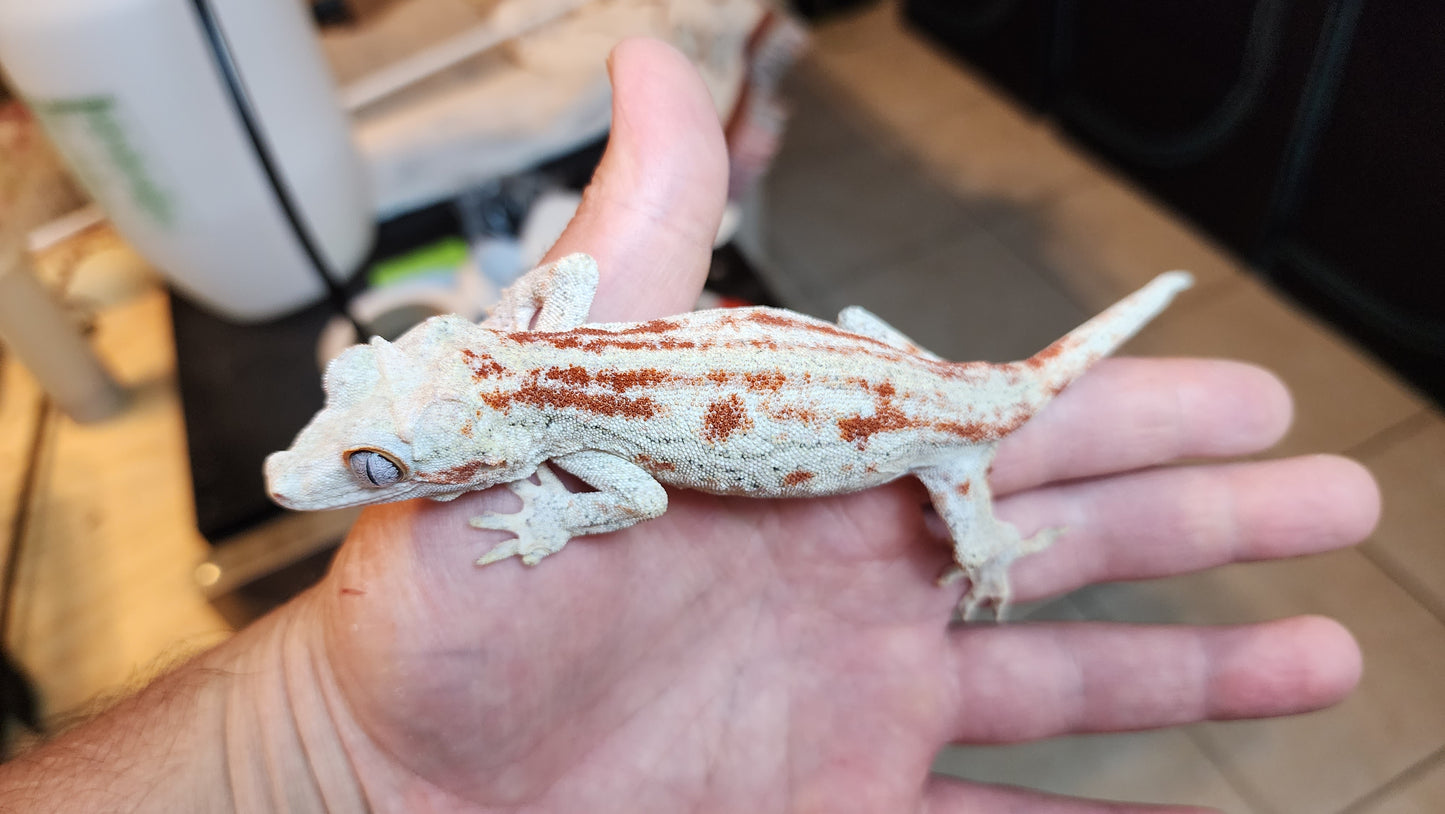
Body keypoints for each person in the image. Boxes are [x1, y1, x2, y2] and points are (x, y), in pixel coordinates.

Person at [0, 39, 1378, 812]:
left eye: (370, 462)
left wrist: (552, 509)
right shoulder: (547, 337)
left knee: (968, 477)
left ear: (476, 430)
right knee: (917, 381)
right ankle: (975, 410)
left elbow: (643, 498)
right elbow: (564, 286)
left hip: (931, 427)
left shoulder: (560, 416)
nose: (321, 478)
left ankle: (986, 524)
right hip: (873, 370)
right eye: (365, 449)